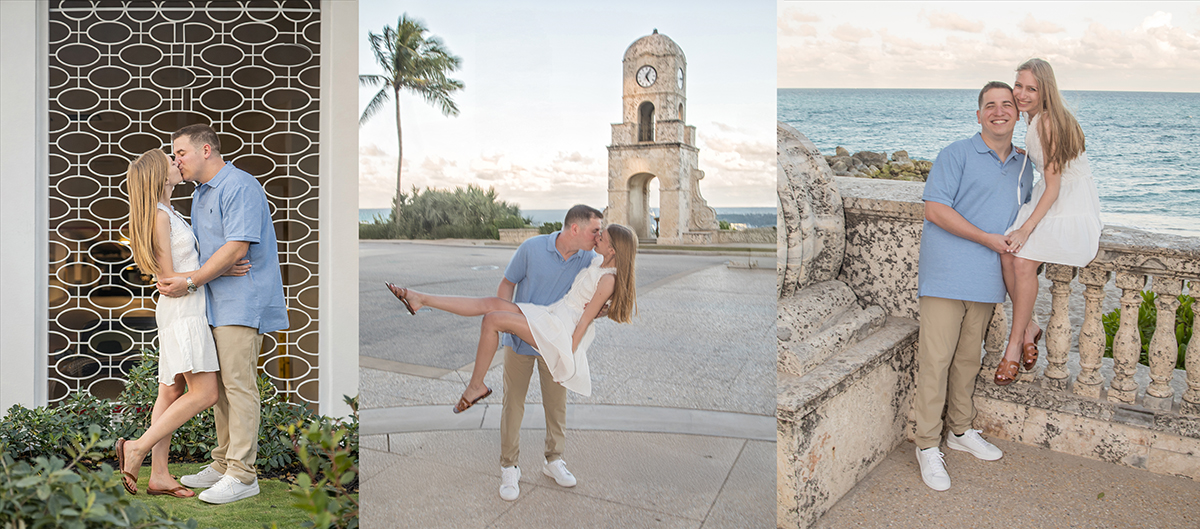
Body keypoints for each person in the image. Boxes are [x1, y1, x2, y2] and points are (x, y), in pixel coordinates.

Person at [157, 124, 288, 504]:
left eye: (180, 152)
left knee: (238, 386)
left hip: (241, 302)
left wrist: (192, 281)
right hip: (211, 302)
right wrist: (199, 276)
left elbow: (237, 247)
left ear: (207, 150)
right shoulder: (199, 195)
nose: (176, 160)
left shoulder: (239, 185)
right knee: (222, 392)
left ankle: (243, 475)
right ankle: (222, 464)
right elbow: (213, 252)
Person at [913, 82, 1034, 492]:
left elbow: (1034, 216)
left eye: (1007, 105)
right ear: (979, 115)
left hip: (987, 279)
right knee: (936, 361)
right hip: (946, 274)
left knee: (968, 360)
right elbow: (935, 209)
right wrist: (986, 238)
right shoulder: (956, 154)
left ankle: (959, 432)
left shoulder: (1024, 165)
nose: (999, 111)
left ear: (1017, 114)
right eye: (990, 106)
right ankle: (927, 445)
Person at [388, 221, 637, 407]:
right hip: (553, 314)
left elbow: (584, 320)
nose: (597, 238)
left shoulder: (608, 279)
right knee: (491, 303)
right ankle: (419, 298)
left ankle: (475, 387)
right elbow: (600, 305)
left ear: (613, 250)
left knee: (492, 319)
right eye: (597, 233)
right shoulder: (597, 262)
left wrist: (565, 358)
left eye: (601, 237)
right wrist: (605, 309)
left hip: (561, 329)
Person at [116, 149, 243, 498]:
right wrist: (220, 268)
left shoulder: (169, 212)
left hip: (184, 308)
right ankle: (136, 448)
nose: (177, 164)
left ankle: (159, 475)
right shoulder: (159, 216)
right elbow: (169, 278)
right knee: (206, 392)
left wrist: (212, 270)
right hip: (183, 309)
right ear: (159, 175)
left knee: (170, 391)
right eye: (170, 161)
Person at [995, 58, 1103, 385]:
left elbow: (1055, 185)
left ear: (1045, 91)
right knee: (1005, 251)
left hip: (1067, 201)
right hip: (1053, 193)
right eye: (1019, 86)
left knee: (1023, 261)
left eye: (1031, 88)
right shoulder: (1036, 120)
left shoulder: (1048, 122)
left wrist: (1027, 228)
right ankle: (1030, 326)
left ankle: (1014, 346)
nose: (1022, 94)